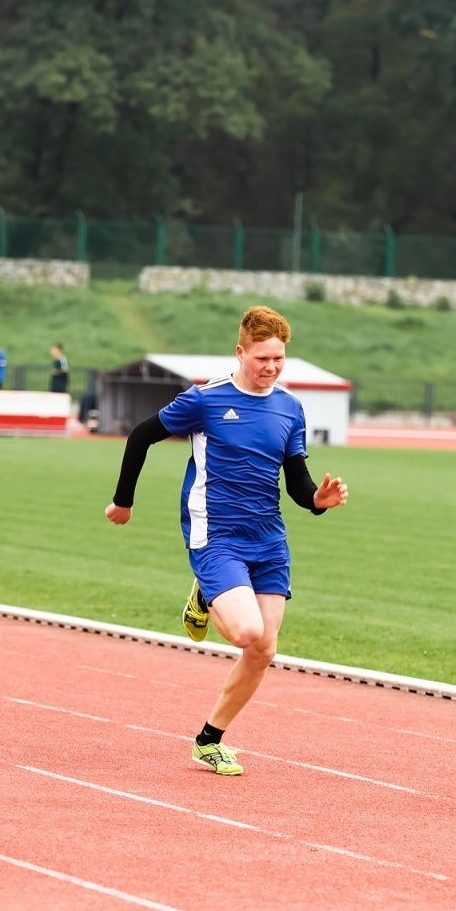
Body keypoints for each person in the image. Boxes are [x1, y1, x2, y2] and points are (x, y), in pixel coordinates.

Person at [104, 305, 347, 776]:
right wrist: (123, 501)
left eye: (278, 359)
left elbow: (296, 480)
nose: (271, 367)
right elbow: (140, 436)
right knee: (245, 631)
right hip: (215, 534)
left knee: (264, 649)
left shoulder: (290, 407)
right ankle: (205, 591)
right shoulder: (205, 400)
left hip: (269, 538)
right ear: (240, 353)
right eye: (262, 358)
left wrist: (318, 499)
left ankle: (209, 739)